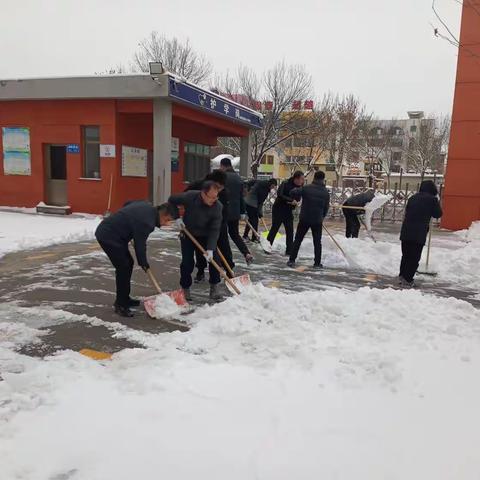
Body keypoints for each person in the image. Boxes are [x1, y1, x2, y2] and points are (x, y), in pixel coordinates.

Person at [95, 200, 176, 317]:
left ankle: (125, 298)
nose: (166, 224)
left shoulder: (146, 206)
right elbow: (140, 245)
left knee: (128, 264)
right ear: (162, 214)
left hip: (114, 233)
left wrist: (128, 222)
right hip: (109, 236)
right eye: (167, 220)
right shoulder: (147, 222)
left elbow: (127, 204)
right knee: (123, 266)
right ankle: (120, 304)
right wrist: (144, 263)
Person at [169, 182, 224, 301]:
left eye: (216, 196)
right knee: (187, 263)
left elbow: (215, 229)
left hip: (206, 235)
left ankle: (214, 287)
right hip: (188, 233)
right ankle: (185, 288)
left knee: (214, 260)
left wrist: (210, 249)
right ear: (203, 194)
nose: (214, 200)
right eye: (212, 197)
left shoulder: (218, 206)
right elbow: (171, 200)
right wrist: (177, 217)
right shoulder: (190, 197)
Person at [185, 170, 234, 282]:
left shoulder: (223, 191)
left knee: (224, 246)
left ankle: (230, 271)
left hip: (218, 223)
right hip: (199, 225)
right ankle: (201, 271)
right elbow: (185, 197)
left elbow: (225, 209)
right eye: (219, 186)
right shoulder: (198, 186)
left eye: (222, 187)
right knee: (201, 250)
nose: (220, 189)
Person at [399, 180, 442, 287]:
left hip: (406, 231)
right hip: (418, 233)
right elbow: (438, 214)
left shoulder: (412, 198)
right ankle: (408, 280)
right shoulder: (432, 199)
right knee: (414, 257)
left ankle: (402, 276)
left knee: (406, 255)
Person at [287, 171, 330, 269]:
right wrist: (321, 217)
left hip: (304, 219)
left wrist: (298, 192)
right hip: (317, 220)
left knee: (298, 240)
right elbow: (326, 208)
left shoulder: (306, 188)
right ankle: (317, 263)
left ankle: (292, 260)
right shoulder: (325, 192)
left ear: (314, 178)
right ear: (323, 179)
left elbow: (292, 192)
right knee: (317, 242)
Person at [219, 157, 254, 265]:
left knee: (222, 238)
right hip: (235, 212)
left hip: (222, 212)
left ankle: (226, 262)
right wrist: (242, 212)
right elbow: (241, 197)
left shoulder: (222, 177)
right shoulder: (238, 178)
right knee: (235, 234)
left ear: (223, 166)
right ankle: (246, 253)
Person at [267, 171, 304, 255]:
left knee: (290, 231)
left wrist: (296, 202)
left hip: (288, 210)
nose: (302, 181)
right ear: (296, 178)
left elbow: (298, 198)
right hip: (279, 209)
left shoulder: (300, 186)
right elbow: (280, 195)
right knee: (275, 228)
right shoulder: (285, 183)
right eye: (301, 179)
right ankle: (267, 247)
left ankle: (289, 251)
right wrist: (291, 200)